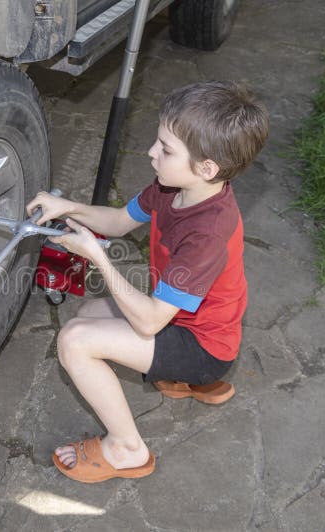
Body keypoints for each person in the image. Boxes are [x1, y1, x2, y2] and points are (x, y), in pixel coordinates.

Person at [25, 81, 269, 483]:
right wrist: (67, 207)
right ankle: (178, 378)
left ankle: (127, 449)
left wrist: (98, 257)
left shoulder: (207, 234)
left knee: (75, 340)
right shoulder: (173, 188)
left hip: (204, 348)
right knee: (88, 314)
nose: (151, 153)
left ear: (206, 167)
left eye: (166, 149)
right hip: (181, 322)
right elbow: (120, 222)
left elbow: (151, 321)